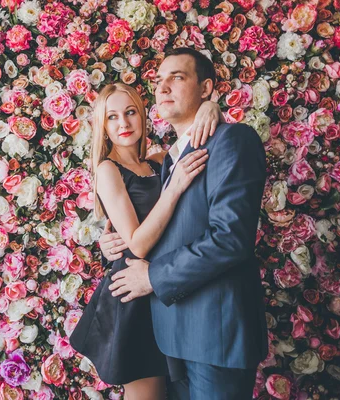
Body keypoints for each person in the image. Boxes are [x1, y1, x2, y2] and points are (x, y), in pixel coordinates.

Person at [101, 48, 269, 399]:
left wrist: (152, 275)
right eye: (159, 81)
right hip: (168, 334)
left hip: (215, 338)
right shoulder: (168, 161)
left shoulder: (232, 140)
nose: (162, 88)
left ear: (206, 88)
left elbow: (230, 239)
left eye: (176, 77)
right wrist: (114, 241)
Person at [69, 82, 223, 400]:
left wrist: (210, 107)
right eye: (112, 117)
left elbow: (200, 138)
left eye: (129, 113)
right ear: (102, 126)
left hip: (165, 286)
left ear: (142, 115)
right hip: (133, 297)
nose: (123, 123)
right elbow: (137, 244)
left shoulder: (158, 159)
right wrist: (175, 186)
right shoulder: (108, 169)